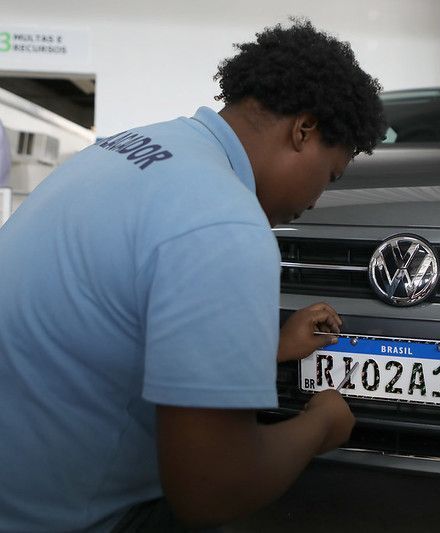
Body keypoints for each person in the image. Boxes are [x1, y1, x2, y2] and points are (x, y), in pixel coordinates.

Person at [0, 20, 386, 532]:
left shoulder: (132, 147)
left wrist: (262, 348)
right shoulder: (227, 222)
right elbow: (212, 490)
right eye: (330, 175)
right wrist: (321, 424)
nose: (316, 199)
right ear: (304, 130)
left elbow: (104, 328)